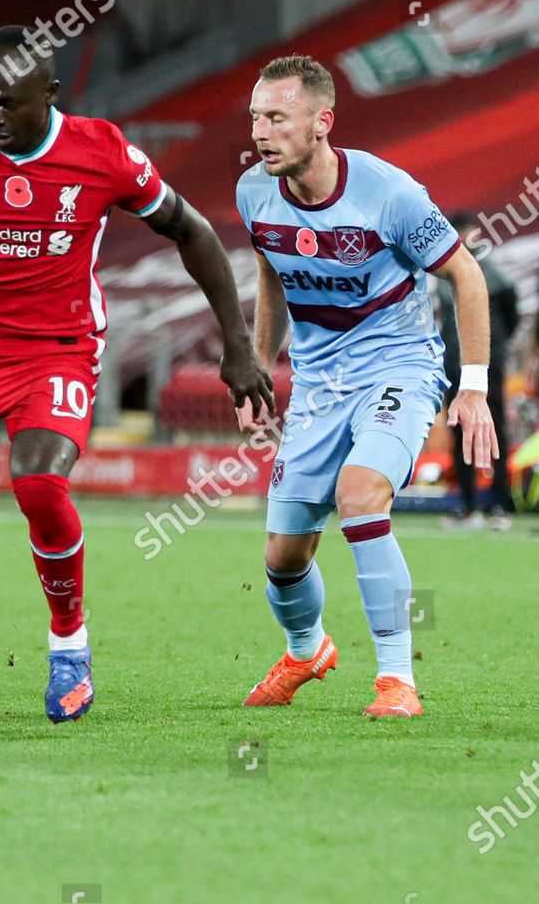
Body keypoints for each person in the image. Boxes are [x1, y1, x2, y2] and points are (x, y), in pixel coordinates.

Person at [0, 26, 273, 724]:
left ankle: (70, 645)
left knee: (38, 480)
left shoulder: (101, 151)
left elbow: (194, 231)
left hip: (58, 347)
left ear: (51, 96)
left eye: (7, 102)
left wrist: (238, 346)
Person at [236, 55, 496, 718]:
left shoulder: (390, 194)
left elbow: (466, 275)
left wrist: (472, 386)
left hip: (399, 368)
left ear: (322, 122)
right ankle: (305, 650)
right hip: (320, 384)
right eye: (256, 117)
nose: (261, 132)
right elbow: (271, 273)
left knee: (359, 495)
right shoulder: (254, 192)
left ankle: (396, 679)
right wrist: (259, 364)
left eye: (277, 117)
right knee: (284, 555)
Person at [437, 213, 517, 529]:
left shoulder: (493, 275)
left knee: (494, 430)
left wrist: (494, 351)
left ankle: (500, 504)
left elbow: (512, 314)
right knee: (459, 433)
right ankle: (469, 505)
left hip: (487, 367)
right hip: (453, 365)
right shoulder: (444, 276)